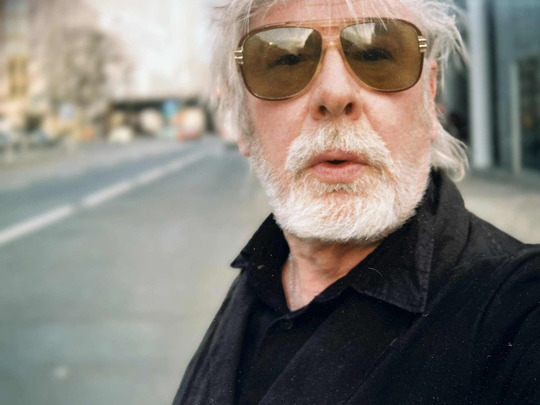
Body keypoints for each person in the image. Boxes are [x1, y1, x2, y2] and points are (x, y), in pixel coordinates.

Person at [173, 0, 540, 403]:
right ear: (241, 119)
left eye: (378, 54)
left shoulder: (519, 309)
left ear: (430, 94)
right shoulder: (261, 277)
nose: (335, 94)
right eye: (285, 61)